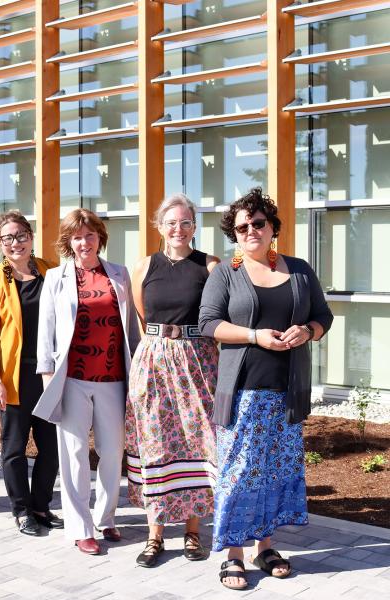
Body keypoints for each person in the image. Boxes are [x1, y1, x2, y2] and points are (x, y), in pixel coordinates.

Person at [198, 187, 333, 590]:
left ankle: (266, 546)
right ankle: (232, 555)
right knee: (238, 473)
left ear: (273, 227)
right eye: (242, 227)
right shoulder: (227, 273)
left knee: (275, 472)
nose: (251, 230)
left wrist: (307, 330)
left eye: (259, 223)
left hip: (286, 391)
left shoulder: (300, 270)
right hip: (243, 390)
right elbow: (208, 323)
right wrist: (255, 336)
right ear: (234, 235)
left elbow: (323, 316)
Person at [34, 208, 140, 555]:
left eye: (90, 234)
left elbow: (131, 331)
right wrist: (49, 375)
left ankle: (106, 518)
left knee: (111, 452)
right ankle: (80, 528)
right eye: (77, 236)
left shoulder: (119, 274)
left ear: (100, 238)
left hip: (112, 378)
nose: (84, 242)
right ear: (68, 242)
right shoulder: (55, 277)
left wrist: (138, 372)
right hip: (73, 378)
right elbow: (46, 330)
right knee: (75, 454)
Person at [126, 194, 220, 567]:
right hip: (153, 362)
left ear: (194, 226)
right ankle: (155, 533)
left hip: (197, 362)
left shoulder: (209, 266)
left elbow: (218, 314)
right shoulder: (144, 266)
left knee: (197, 442)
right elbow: (140, 315)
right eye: (170, 222)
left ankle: (194, 531)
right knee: (156, 444)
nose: (177, 229)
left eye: (185, 222)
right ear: (159, 226)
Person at [0, 211, 62, 536]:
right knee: (14, 448)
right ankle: (21, 510)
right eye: (8, 238)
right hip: (12, 378)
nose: (16, 243)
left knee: (51, 446)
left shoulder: (48, 269)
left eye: (21, 235)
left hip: (47, 375)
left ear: (31, 237)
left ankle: (41, 506)